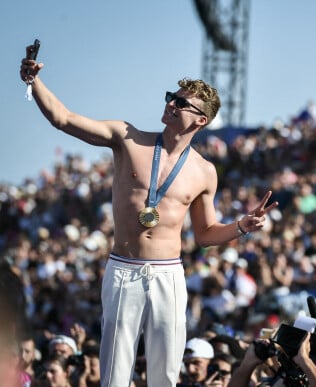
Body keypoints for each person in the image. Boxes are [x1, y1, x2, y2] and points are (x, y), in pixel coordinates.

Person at [20, 44, 278, 387]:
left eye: (182, 103)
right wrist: (35, 83)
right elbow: (64, 119)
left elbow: (204, 235)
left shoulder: (204, 171)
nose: (171, 103)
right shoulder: (128, 139)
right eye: (172, 96)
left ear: (201, 120)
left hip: (168, 275)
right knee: (114, 373)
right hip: (123, 269)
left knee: (166, 375)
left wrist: (241, 226)